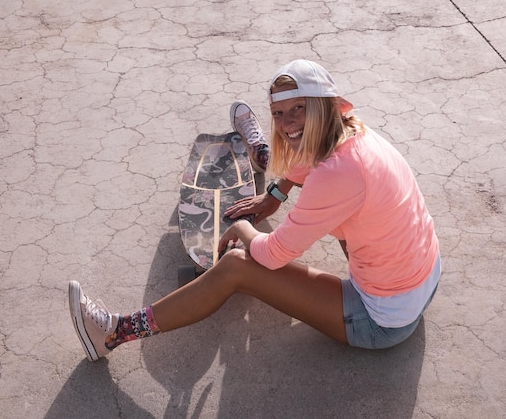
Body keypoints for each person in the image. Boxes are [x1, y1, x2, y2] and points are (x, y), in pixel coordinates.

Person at [68, 59, 441, 362]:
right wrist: (275, 194)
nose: (287, 122)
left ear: (326, 106)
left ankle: (114, 333)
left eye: (298, 108)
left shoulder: (337, 174)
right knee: (324, 189)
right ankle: (261, 155)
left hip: (383, 320)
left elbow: (274, 255)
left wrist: (245, 229)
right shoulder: (357, 134)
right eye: (278, 114)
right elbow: (311, 157)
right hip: (424, 279)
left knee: (237, 267)